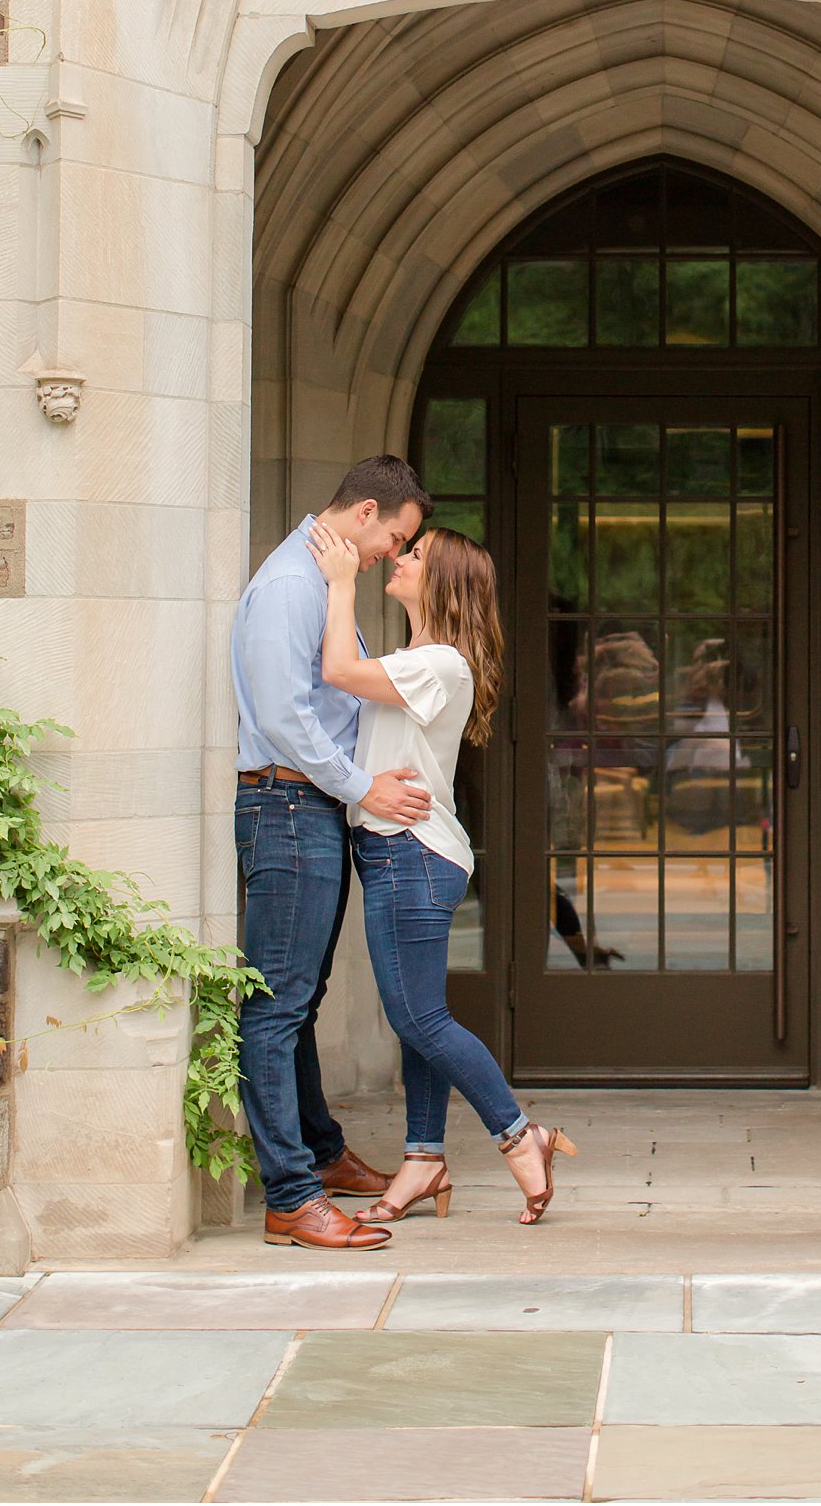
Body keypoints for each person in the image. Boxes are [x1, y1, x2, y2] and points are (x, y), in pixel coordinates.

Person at [306, 516, 577, 1226]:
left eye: (414, 553)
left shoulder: (440, 662)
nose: (398, 555)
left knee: (417, 1016)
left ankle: (521, 1134)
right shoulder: (422, 656)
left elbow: (336, 670)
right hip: (407, 852)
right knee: (421, 1018)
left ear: (442, 580)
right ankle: (424, 1161)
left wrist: (339, 584)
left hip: (410, 854)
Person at [232, 455, 433, 1252]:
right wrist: (362, 786)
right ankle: (291, 1195)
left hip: (308, 803)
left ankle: (320, 1153)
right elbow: (284, 714)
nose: (393, 550)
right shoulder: (290, 587)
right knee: (276, 1005)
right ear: (365, 514)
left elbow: (335, 692)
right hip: (286, 802)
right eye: (396, 535)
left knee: (299, 996)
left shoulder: (321, 580)